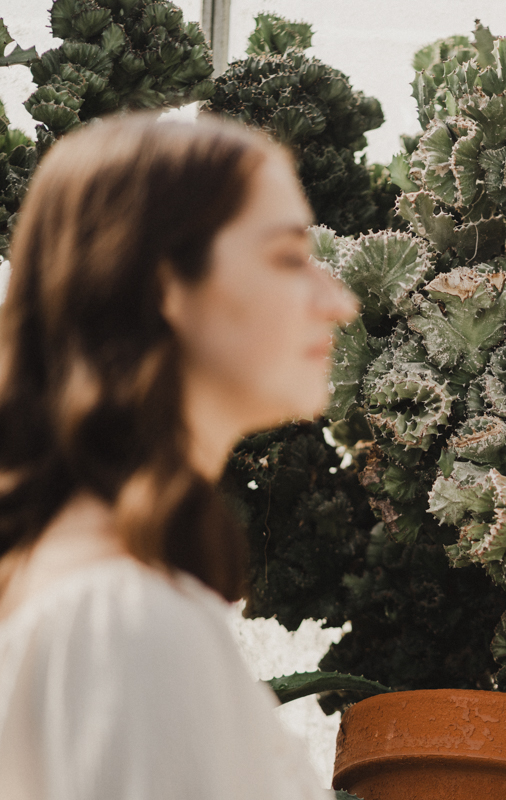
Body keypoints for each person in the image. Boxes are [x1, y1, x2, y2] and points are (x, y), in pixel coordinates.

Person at [0, 113, 357, 799]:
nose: (337, 300)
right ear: (164, 284)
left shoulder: (73, 589)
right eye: (288, 257)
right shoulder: (124, 624)